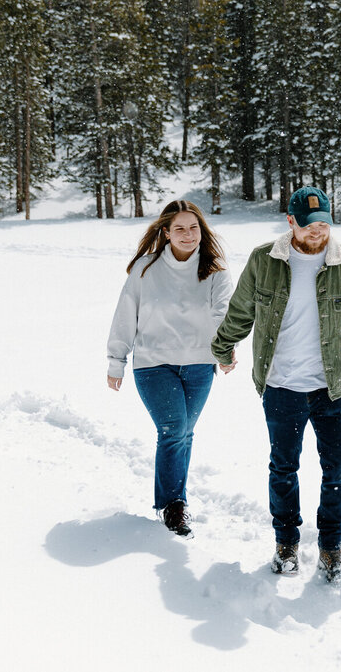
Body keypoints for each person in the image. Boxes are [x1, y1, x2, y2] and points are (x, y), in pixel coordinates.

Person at [212, 186, 341, 580]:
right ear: (290, 222)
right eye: (309, 226)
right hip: (282, 387)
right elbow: (240, 311)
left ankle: (330, 546)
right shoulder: (264, 260)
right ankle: (286, 542)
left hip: (333, 389)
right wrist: (223, 348)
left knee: (339, 470)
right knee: (284, 468)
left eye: (323, 224)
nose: (317, 232)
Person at [106, 200, 235, 537]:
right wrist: (116, 360)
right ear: (165, 232)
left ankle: (173, 501)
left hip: (199, 366)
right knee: (174, 430)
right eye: (179, 228)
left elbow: (224, 314)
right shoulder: (145, 269)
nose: (187, 234)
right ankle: (172, 505)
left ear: (201, 231)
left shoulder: (215, 271)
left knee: (183, 433)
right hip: (153, 364)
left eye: (193, 227)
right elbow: (125, 313)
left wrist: (225, 350)